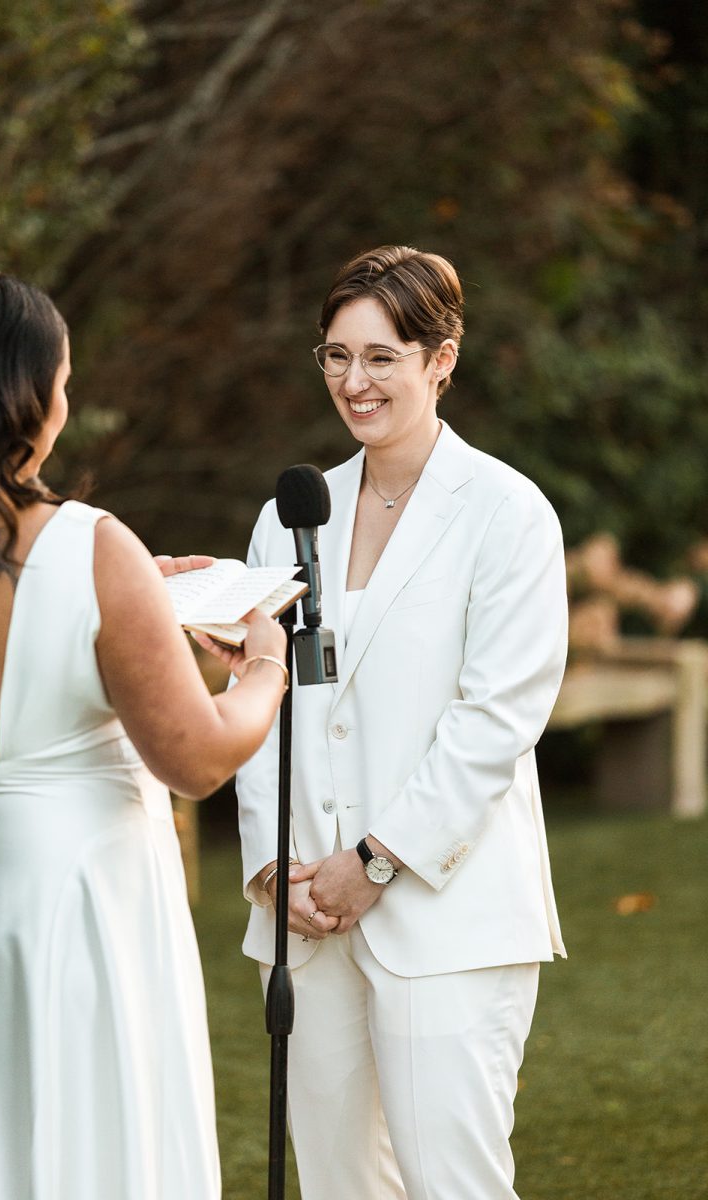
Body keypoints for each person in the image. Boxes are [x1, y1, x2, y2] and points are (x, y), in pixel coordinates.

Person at [0, 270, 288, 1200]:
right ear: (27, 399)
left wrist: (134, 607)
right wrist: (265, 669)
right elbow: (197, 757)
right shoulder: (86, 545)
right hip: (66, 915)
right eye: (65, 383)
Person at [205, 245, 568, 1200]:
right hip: (309, 922)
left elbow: (498, 718)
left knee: (454, 1181)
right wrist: (271, 868)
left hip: (446, 912)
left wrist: (375, 860)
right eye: (335, 357)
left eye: (381, 358)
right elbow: (263, 692)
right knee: (337, 1185)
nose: (353, 383)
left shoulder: (507, 512)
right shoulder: (289, 515)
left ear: (441, 358)